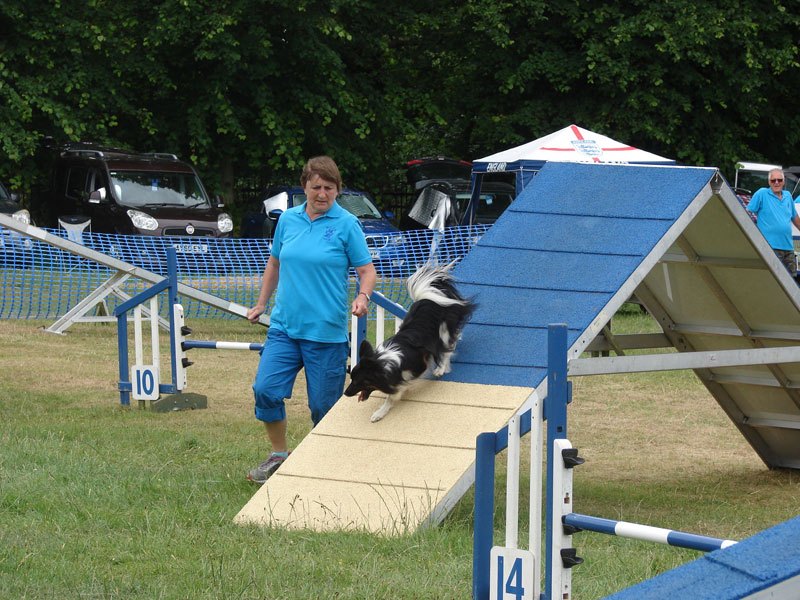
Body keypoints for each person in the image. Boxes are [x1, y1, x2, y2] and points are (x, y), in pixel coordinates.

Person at [245, 156, 377, 484]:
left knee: (323, 408)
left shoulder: (347, 224)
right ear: (304, 186)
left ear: (337, 189)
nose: (322, 193)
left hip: (326, 333)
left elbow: (366, 271)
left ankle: (325, 466)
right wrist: (261, 304)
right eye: (315, 186)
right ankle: (278, 455)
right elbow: (274, 264)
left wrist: (363, 297)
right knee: (266, 389)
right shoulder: (288, 221)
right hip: (284, 327)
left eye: (328, 187)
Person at [747, 168, 800, 279]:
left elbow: (794, 217)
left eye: (779, 180)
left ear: (784, 181)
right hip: (770, 247)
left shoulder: (788, 196)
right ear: (769, 182)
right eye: (773, 180)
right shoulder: (762, 193)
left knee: (792, 281)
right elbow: (747, 213)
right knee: (772, 280)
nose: (776, 182)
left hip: (788, 247)